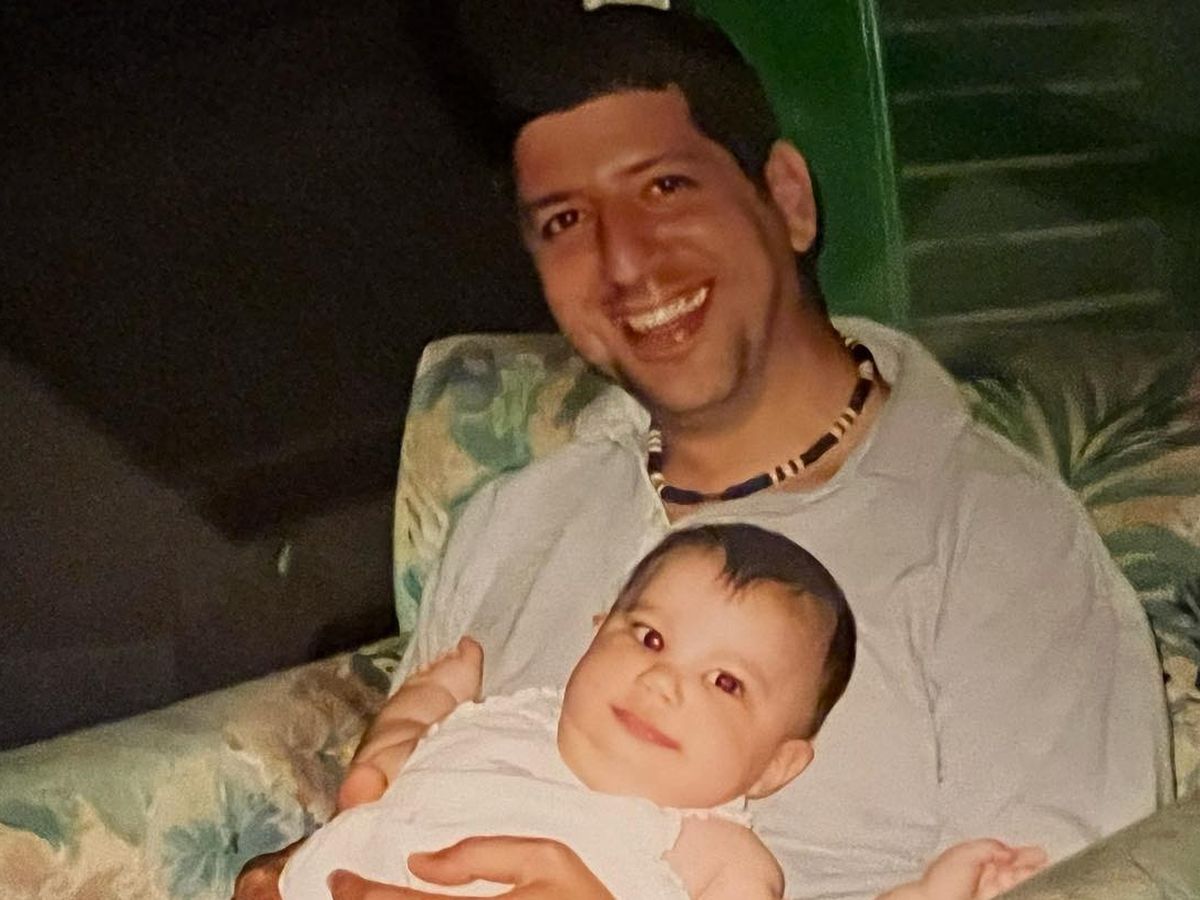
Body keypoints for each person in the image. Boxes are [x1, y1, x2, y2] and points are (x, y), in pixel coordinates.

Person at [235, 2, 1170, 898]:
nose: (625, 261)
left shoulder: (1001, 546)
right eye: (565, 221)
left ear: (787, 200)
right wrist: (300, 868)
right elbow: (400, 788)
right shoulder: (514, 518)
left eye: (664, 187)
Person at [281, 525, 1045, 900]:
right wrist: (439, 692)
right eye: (649, 638)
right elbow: (385, 757)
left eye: (726, 683)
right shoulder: (495, 721)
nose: (664, 682)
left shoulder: (716, 851)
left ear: (777, 765)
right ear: (593, 636)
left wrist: (926, 894)